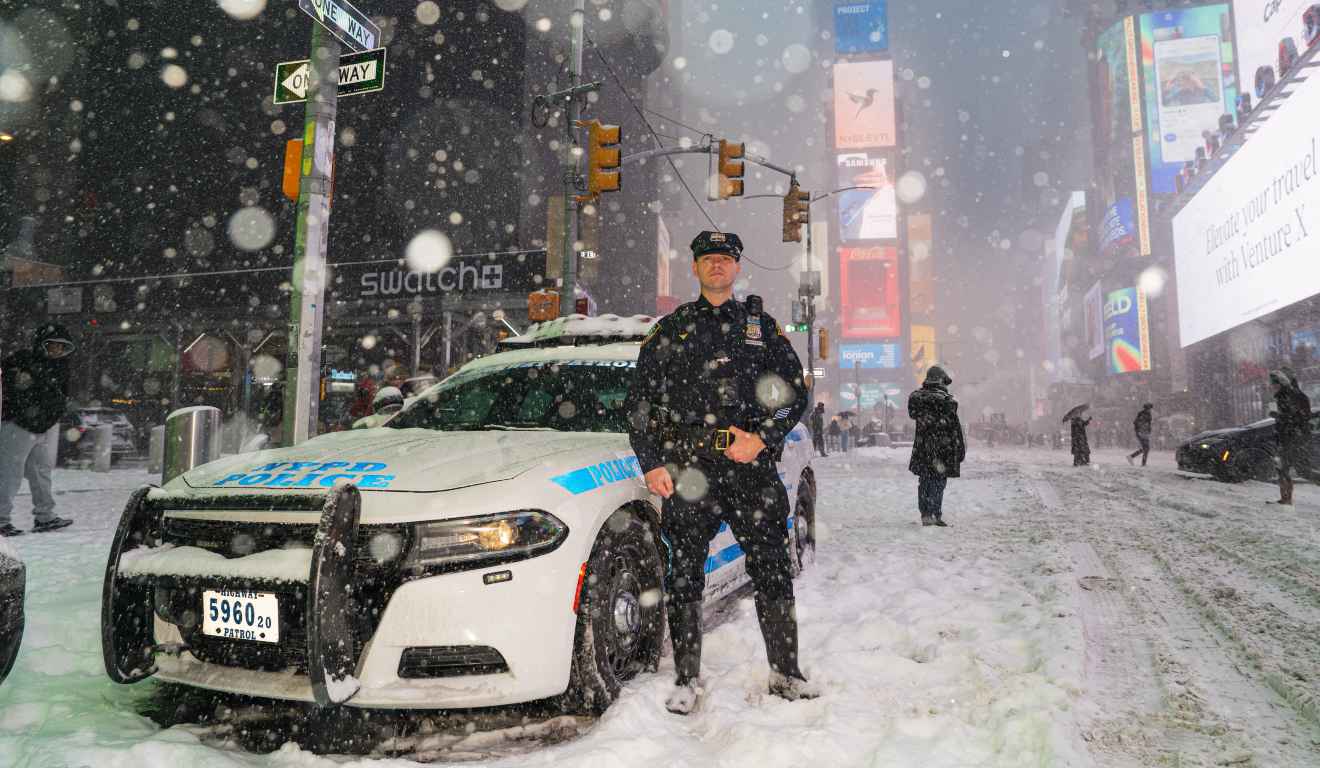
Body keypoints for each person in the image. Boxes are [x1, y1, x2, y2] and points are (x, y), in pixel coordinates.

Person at [624, 229, 816, 715]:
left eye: (724, 259)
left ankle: (786, 673)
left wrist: (764, 438)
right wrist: (652, 464)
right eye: (707, 259)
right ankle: (687, 679)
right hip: (690, 470)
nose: (716, 266)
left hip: (749, 466)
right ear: (695, 268)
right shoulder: (671, 330)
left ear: (736, 267)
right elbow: (640, 404)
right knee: (684, 572)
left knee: (772, 567)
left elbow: (795, 391)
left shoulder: (762, 327)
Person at [0, 324, 77, 536]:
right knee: (9, 474)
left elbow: (61, 397)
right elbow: (11, 384)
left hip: (42, 427)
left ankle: (45, 516)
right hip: (18, 426)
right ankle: (1, 520)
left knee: (41, 472)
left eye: (62, 347)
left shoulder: (61, 368)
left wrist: (51, 415)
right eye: (54, 345)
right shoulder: (23, 360)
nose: (58, 351)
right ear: (42, 344)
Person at [907, 366, 966, 527]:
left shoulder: (916, 398)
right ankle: (934, 513)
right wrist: (960, 449)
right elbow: (955, 428)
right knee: (938, 481)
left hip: (923, 447)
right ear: (941, 380)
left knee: (925, 480)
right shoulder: (948, 401)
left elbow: (913, 413)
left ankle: (926, 514)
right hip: (943, 449)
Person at [1271, 370, 1312, 505]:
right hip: (1289, 436)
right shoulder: (1289, 396)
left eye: (1275, 383)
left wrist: (1279, 416)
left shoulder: (1290, 396)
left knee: (1287, 468)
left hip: (1291, 437)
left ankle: (1287, 498)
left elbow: (1295, 417)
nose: (1273, 386)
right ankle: (1285, 497)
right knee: (1283, 468)